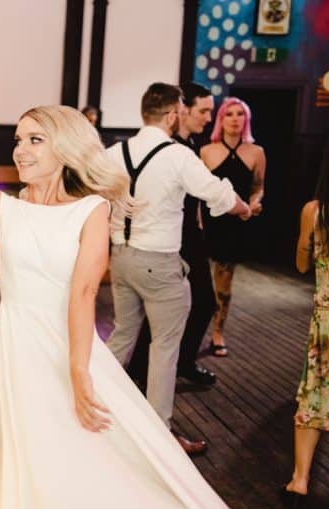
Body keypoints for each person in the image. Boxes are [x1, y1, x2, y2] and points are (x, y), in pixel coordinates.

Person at [0, 40, 233, 509]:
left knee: (85, 466)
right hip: (15, 353)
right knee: (22, 463)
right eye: (17, 139)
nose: (20, 149)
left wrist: (76, 371)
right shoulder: (1, 208)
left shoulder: (91, 210)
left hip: (66, 351)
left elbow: (84, 293)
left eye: (34, 140)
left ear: (64, 147)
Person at [105, 83, 250, 456]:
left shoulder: (113, 153)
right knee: (165, 349)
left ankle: (94, 408)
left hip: (120, 259)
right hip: (160, 266)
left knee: (122, 338)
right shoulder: (177, 156)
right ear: (172, 115)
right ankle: (159, 438)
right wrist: (245, 208)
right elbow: (218, 195)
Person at [281, 124, 329, 509]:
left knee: (312, 400)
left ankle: (299, 480)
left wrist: (306, 242)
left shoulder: (314, 211)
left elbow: (302, 265)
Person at [126, 82, 218, 393]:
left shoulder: (187, 147)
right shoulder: (171, 150)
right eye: (203, 110)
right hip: (169, 242)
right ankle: (153, 371)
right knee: (194, 305)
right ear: (180, 112)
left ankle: (162, 367)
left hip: (186, 237)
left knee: (186, 308)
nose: (209, 117)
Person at [200, 97, 266, 357]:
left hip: (235, 223)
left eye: (240, 114)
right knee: (199, 283)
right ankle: (194, 330)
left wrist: (254, 202)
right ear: (221, 119)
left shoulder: (256, 152)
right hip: (208, 222)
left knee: (224, 287)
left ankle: (218, 332)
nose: (235, 119)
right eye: (230, 114)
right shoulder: (206, 151)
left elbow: (258, 186)